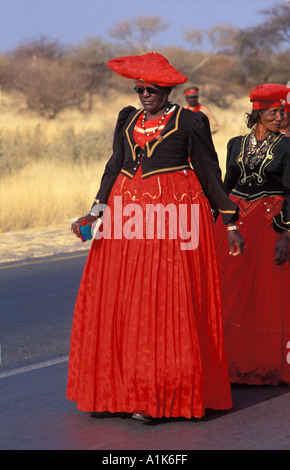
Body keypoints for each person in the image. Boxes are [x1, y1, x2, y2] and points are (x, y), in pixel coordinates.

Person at [67, 52, 245, 422]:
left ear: (166, 89)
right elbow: (114, 165)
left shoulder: (190, 121)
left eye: (151, 89)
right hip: (125, 215)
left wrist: (230, 221)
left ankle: (160, 396)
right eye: (140, 88)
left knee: (163, 304)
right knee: (122, 300)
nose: (145, 94)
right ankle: (117, 391)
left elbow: (210, 173)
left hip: (173, 217)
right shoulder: (127, 118)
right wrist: (95, 211)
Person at [214, 83, 290, 386]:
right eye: (273, 111)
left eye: (281, 111)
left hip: (270, 222)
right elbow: (225, 183)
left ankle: (263, 362)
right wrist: (216, 214)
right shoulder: (235, 144)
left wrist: (286, 234)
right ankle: (230, 359)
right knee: (230, 288)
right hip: (236, 221)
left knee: (265, 294)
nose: (279, 117)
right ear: (258, 112)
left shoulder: (286, 147)